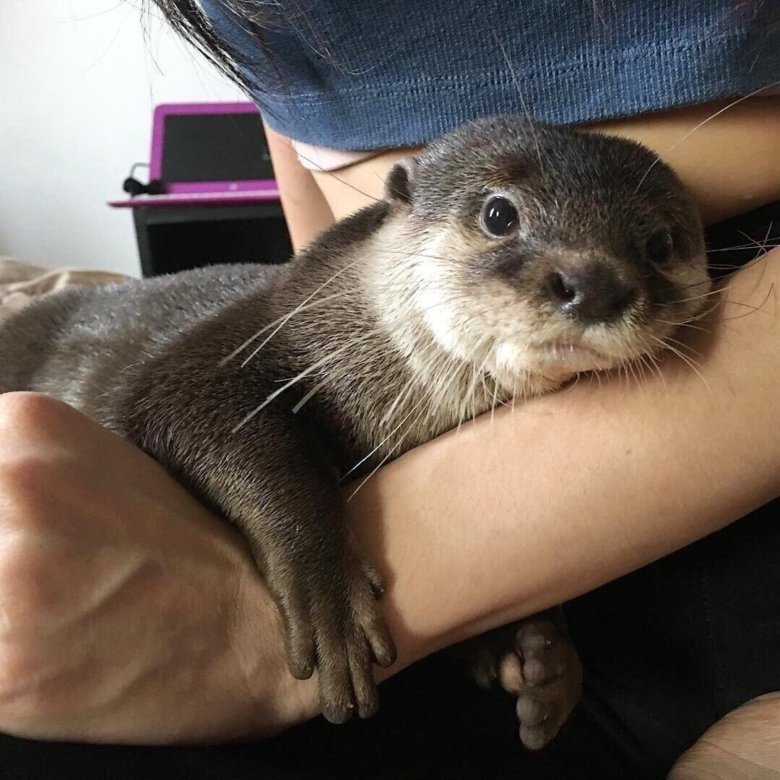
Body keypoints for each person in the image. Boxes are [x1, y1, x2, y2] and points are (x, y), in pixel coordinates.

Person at [0, 1, 779, 777]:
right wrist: (315, 545)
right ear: (407, 213)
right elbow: (182, 403)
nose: (595, 288)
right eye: (500, 218)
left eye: (657, 247)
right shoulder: (354, 319)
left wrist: (272, 620)